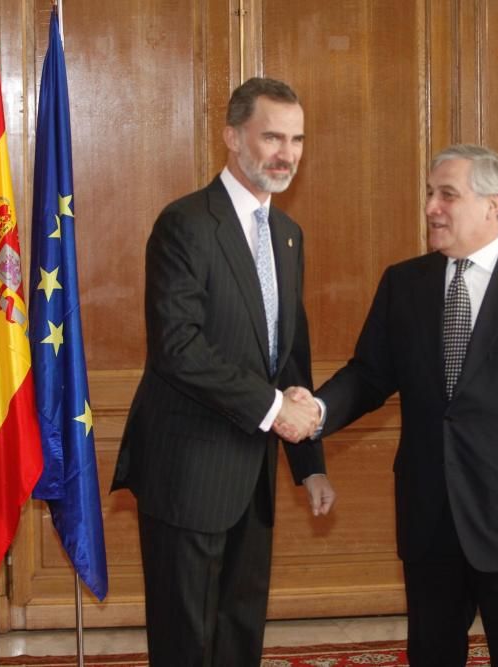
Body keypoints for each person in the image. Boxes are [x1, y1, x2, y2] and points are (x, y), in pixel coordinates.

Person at [291, 144, 498, 666]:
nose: (431, 206)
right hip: (429, 515)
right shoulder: (404, 283)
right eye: (430, 194)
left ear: (492, 204)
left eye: (447, 195)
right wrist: (318, 411)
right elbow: (369, 375)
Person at [111, 77, 336, 667]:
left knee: (240, 630)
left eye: (297, 139)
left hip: (253, 476)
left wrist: (307, 462)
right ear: (233, 137)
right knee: (187, 640)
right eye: (272, 137)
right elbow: (178, 348)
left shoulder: (287, 235)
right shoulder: (185, 223)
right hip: (187, 470)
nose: (286, 153)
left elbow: (288, 354)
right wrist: (272, 411)